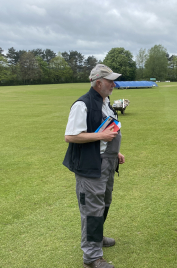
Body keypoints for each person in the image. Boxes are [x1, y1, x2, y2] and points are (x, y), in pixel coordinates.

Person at [63, 64, 125, 268]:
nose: (113, 85)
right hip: (90, 166)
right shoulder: (83, 104)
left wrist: (116, 152)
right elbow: (70, 136)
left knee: (104, 203)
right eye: (110, 81)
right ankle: (91, 257)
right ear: (98, 83)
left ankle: (96, 240)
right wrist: (102, 136)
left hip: (107, 162)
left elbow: (108, 131)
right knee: (92, 210)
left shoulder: (104, 101)